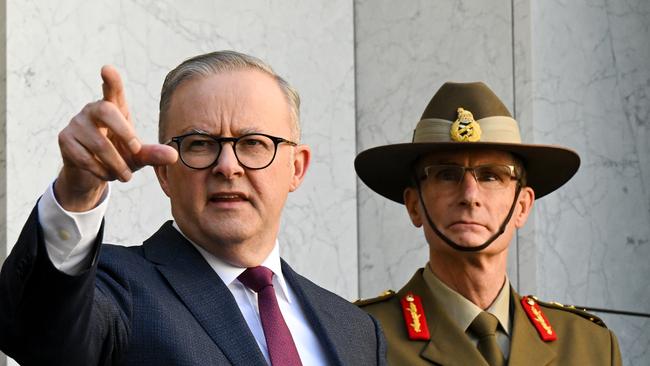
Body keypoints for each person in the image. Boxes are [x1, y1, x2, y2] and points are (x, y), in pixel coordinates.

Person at [0, 51, 385, 366]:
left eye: (253, 143)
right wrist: (76, 193)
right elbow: (41, 335)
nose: (228, 166)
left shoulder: (357, 331)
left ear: (296, 168)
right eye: (199, 145)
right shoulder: (116, 291)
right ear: (165, 172)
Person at [354, 82, 622, 365]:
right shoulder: (359, 338)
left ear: (522, 206)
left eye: (492, 175)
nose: (470, 196)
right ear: (414, 205)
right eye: (446, 174)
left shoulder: (589, 346)